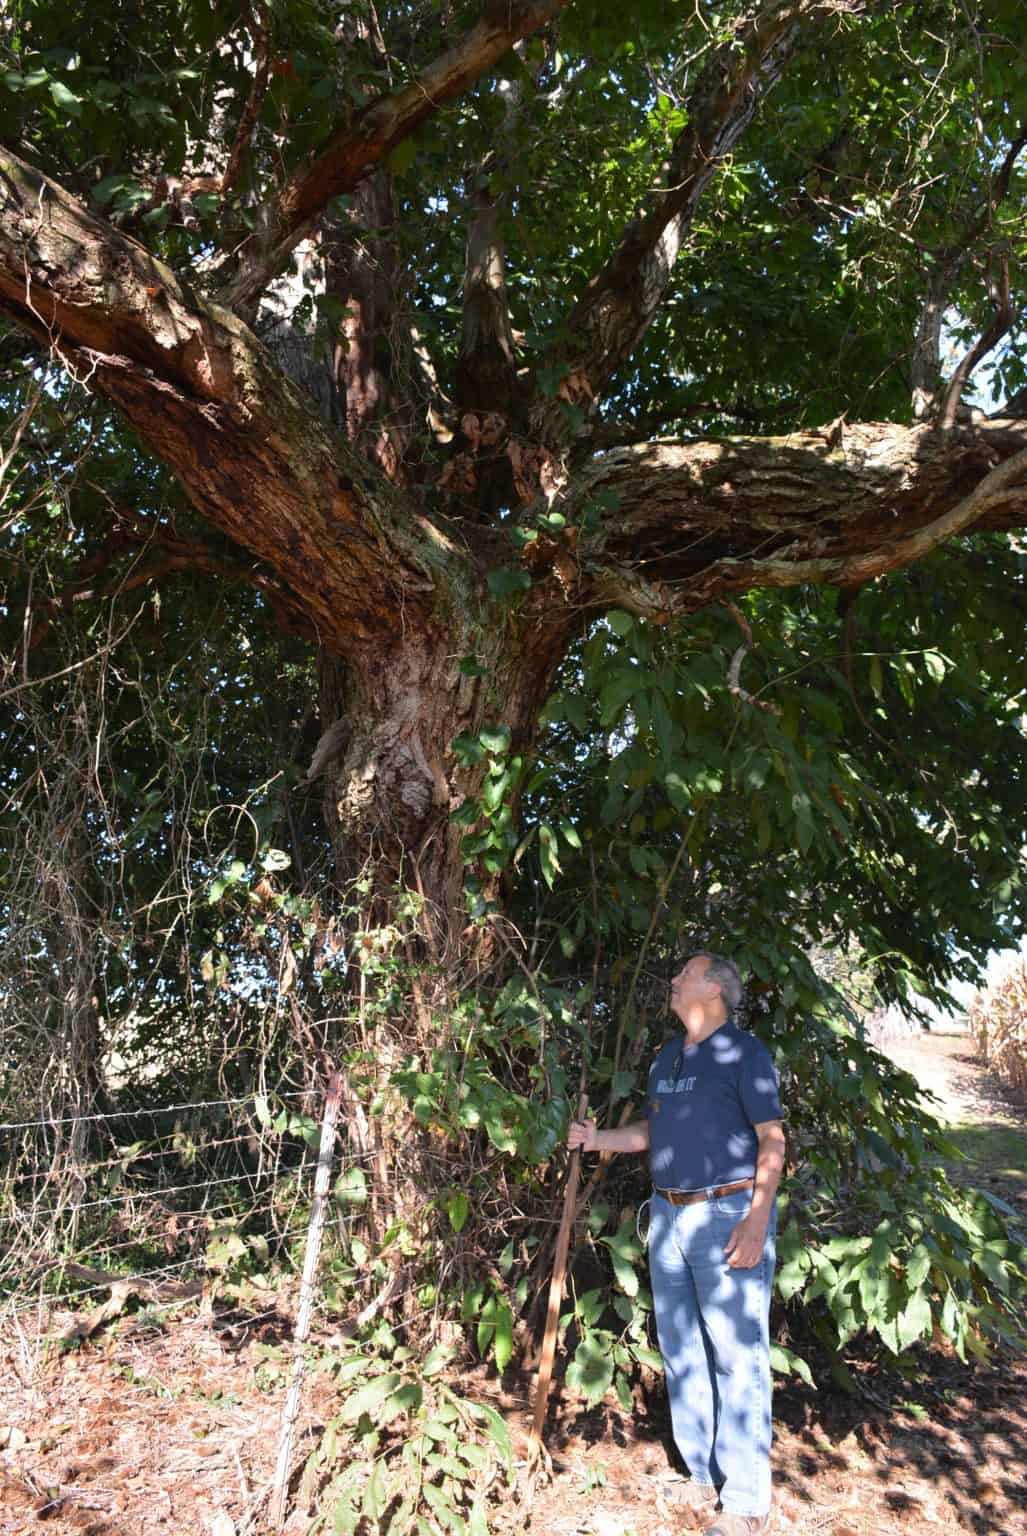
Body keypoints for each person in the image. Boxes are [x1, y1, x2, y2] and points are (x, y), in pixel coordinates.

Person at [568, 952, 786, 1536]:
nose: (672, 981)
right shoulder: (667, 1057)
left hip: (728, 1212)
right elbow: (650, 1132)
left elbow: (772, 1140)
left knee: (737, 1357)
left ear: (713, 987)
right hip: (667, 1215)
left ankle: (746, 1504)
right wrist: (597, 1140)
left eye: (684, 974)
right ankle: (702, 1474)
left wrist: (757, 1219)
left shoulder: (745, 1054)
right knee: (682, 1348)